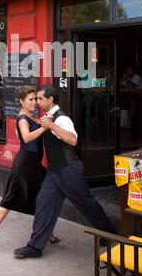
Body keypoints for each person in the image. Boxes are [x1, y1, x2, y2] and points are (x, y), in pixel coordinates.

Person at [14, 84, 117, 259]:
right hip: (54, 172)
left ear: (50, 99)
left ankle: (109, 232)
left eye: (40, 98)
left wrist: (52, 126)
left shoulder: (62, 119)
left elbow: (73, 140)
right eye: (36, 99)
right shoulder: (47, 116)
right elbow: (34, 128)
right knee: (43, 204)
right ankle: (35, 247)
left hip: (69, 171)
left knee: (87, 203)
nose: (37, 102)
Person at [0, 85, 59, 252]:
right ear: (21, 101)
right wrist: (46, 127)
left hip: (34, 165)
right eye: (30, 100)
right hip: (25, 165)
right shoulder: (23, 118)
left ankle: (47, 232)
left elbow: (27, 131)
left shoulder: (30, 115)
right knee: (10, 198)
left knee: (42, 197)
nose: (34, 102)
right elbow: (26, 137)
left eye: (36, 99)